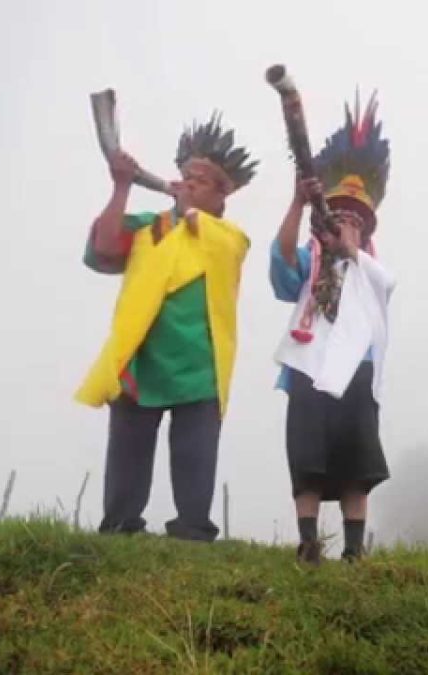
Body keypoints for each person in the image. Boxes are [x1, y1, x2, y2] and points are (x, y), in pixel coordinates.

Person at [75, 113, 257, 542]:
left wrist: (189, 212)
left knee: (194, 456)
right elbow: (103, 246)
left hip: (199, 363)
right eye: (187, 175)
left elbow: (217, 242)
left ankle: (192, 531)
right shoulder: (148, 227)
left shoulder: (228, 237)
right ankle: (120, 525)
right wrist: (122, 185)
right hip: (142, 357)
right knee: (128, 453)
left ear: (222, 194)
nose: (190, 183)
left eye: (203, 179)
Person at [270, 92, 394, 564]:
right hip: (308, 369)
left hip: (356, 374)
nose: (345, 223)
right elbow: (280, 265)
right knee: (308, 462)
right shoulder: (310, 264)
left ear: (366, 229)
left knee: (356, 468)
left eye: (354, 219)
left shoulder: (373, 271)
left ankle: (355, 550)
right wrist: (297, 205)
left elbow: (382, 290)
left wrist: (350, 251)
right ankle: (308, 544)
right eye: (337, 214)